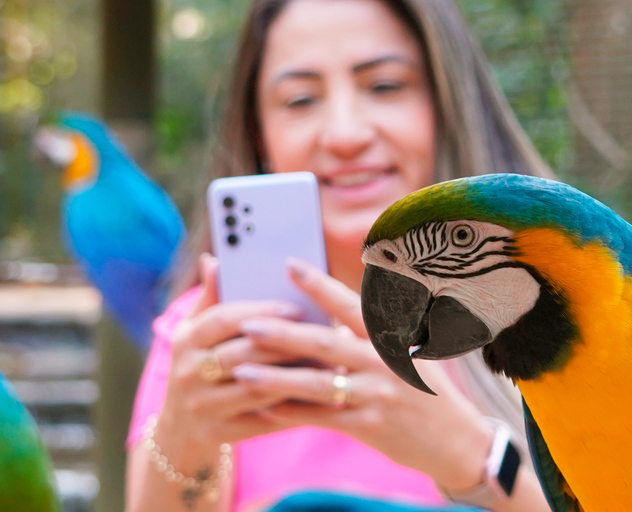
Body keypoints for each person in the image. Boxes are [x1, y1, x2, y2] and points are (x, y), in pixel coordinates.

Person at [125, 0, 555, 511]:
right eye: (301, 99)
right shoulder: (205, 340)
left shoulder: (563, 313)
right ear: (259, 132)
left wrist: (468, 457)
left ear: (446, 105)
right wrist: (183, 437)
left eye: (385, 86)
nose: (346, 134)